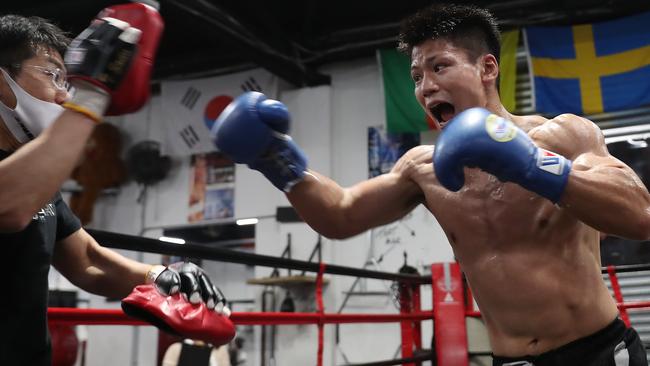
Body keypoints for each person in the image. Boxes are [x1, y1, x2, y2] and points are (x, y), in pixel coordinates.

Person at [211, 3, 650, 366]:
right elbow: (342, 213)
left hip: (597, 353)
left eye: (440, 67)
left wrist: (531, 165)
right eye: (418, 76)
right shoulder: (424, 169)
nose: (426, 87)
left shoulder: (562, 136)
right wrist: (279, 162)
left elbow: (640, 215)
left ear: (488, 68)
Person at [0, 10, 228, 366]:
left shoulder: (39, 182)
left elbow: (87, 261)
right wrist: (91, 95)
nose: (63, 95)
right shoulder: (22, 187)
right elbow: (8, 206)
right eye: (52, 75)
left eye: (68, 82)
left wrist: (161, 276)